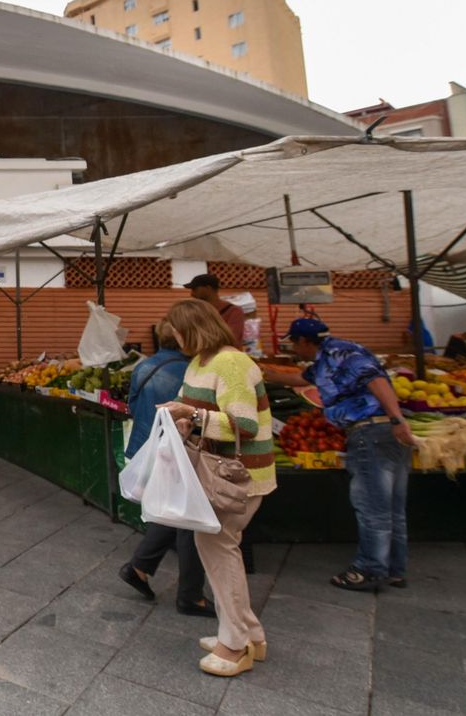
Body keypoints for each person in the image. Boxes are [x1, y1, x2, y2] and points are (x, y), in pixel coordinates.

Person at [158, 299, 276, 677]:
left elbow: (244, 425)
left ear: (191, 328)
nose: (174, 339)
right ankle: (250, 635)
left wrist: (190, 416)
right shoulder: (200, 362)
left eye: (177, 332)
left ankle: (235, 644)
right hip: (218, 471)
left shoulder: (231, 362)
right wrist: (180, 415)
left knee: (220, 550)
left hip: (239, 475)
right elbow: (195, 407)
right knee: (218, 547)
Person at [274, 318, 415, 592]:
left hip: (371, 432)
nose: (293, 349)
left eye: (293, 343)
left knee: (372, 508)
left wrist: (397, 420)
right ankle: (395, 569)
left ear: (305, 341)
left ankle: (369, 569)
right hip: (383, 433)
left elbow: (375, 380)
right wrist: (261, 373)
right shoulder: (325, 360)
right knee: (391, 508)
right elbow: (299, 379)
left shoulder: (343, 354)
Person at [116, 320, 210, 617]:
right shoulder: (190, 370)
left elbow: (131, 403)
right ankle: (190, 595)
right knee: (190, 516)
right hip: (177, 449)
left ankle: (140, 567)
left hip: (148, 445)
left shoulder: (143, 367)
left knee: (174, 511)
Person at [183, 273, 245, 348]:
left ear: (208, 288)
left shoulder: (233, 311)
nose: (192, 294)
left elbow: (231, 339)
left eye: (195, 289)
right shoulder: (196, 312)